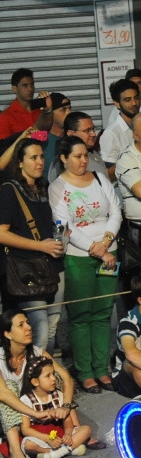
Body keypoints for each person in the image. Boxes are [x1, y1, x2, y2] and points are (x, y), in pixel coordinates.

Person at [48, 136, 120, 393]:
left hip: (109, 253)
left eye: (85, 155)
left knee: (103, 314)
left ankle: (102, 369)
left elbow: (116, 211)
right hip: (80, 257)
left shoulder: (100, 178)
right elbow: (65, 226)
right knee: (80, 316)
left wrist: (107, 242)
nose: (83, 161)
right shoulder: (57, 186)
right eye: (76, 156)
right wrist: (97, 250)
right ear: (64, 159)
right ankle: (85, 372)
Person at [0, 139, 63, 350]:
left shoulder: (43, 188)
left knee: (52, 327)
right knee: (40, 329)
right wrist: (40, 246)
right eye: (33, 158)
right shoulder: (10, 190)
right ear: (19, 162)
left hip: (52, 265)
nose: (39, 162)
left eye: (41, 157)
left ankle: (45, 377)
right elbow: (1, 233)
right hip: (26, 269)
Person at [0, 310, 76, 458]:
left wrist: (66, 406)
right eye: (21, 325)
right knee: (9, 387)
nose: (28, 327)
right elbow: (3, 394)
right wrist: (34, 413)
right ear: (8, 334)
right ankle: (15, 449)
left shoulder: (36, 352)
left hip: (34, 412)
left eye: (27, 322)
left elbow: (66, 378)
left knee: (54, 377)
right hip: (11, 416)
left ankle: (74, 429)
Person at [19, 355, 93, 458]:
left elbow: (67, 420)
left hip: (59, 432)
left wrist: (68, 434)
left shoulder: (58, 394)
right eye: (48, 376)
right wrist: (47, 438)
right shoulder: (26, 400)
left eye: (53, 374)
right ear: (35, 382)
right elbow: (25, 429)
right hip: (40, 435)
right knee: (28, 444)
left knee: (86, 429)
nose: (53, 378)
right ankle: (69, 450)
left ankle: (53, 455)